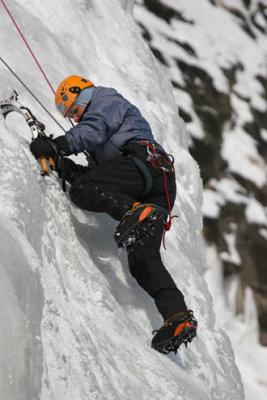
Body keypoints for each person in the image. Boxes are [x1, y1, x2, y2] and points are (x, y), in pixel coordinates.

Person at [30, 75, 197, 354]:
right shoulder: (103, 135)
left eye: (73, 110)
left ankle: (134, 211)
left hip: (142, 162)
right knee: (143, 260)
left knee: (84, 190)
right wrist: (61, 163)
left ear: (81, 95)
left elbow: (93, 130)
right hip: (156, 181)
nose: (74, 118)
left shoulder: (105, 100)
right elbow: (98, 177)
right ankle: (177, 316)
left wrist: (58, 145)